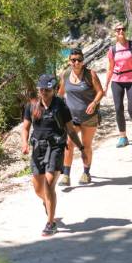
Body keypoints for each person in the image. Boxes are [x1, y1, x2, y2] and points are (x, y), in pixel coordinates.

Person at [21, 74, 87, 237]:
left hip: (56, 148)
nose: (43, 92)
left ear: (54, 90)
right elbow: (25, 128)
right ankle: (47, 202)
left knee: (49, 185)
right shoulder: (32, 106)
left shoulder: (61, 106)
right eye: (41, 89)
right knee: (38, 189)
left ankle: (51, 223)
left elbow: (71, 130)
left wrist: (81, 148)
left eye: (47, 89)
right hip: (38, 148)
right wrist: (24, 143)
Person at [58, 48, 104, 186]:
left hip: (89, 118)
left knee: (86, 145)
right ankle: (66, 176)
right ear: (69, 61)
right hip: (72, 118)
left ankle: (86, 173)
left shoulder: (91, 75)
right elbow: (60, 94)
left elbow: (100, 92)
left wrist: (94, 103)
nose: (76, 62)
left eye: (79, 60)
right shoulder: (65, 75)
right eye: (73, 60)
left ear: (83, 61)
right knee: (68, 144)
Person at [103, 22, 132, 147]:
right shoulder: (112, 50)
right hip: (117, 80)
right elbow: (110, 68)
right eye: (118, 30)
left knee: (131, 108)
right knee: (118, 108)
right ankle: (123, 137)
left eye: (123, 29)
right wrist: (106, 85)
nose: (121, 31)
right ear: (115, 33)